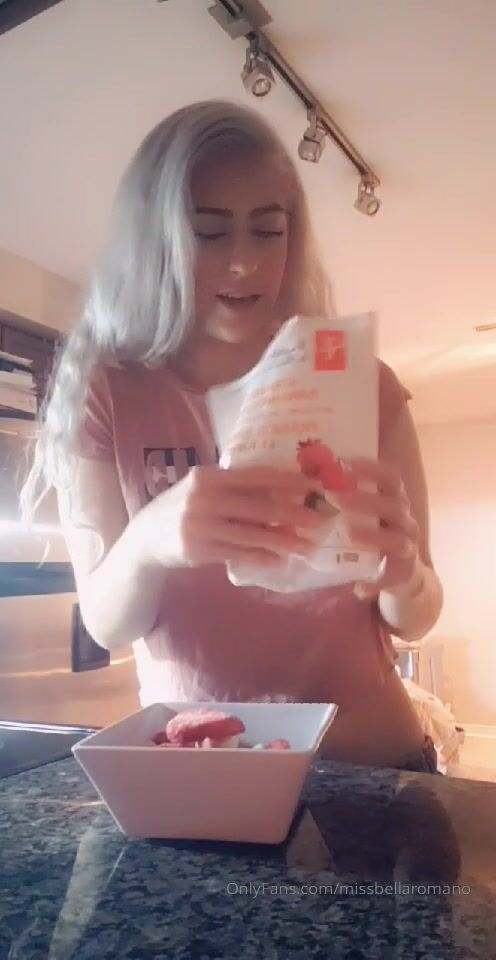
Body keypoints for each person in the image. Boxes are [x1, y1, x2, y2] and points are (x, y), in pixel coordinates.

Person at [22, 100, 443, 772]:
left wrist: (406, 571)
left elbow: (415, 616)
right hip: (206, 770)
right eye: (209, 234)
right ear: (156, 241)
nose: (244, 263)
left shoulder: (360, 383)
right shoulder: (108, 390)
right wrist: (151, 539)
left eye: (267, 231)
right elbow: (108, 624)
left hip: (372, 761)